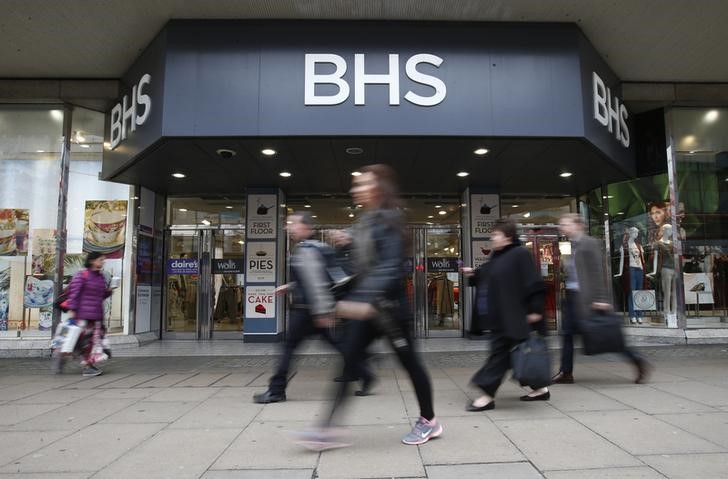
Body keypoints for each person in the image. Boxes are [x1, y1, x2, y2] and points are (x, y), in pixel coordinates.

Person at [297, 164, 442, 450]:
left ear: (378, 188)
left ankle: (429, 421)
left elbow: (389, 267)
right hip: (368, 308)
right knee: (348, 360)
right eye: (356, 184)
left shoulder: (389, 219)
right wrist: (347, 243)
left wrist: (361, 301)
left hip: (389, 311)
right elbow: (363, 264)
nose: (355, 189)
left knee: (411, 364)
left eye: (362, 184)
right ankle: (326, 429)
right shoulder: (368, 220)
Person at [254, 211, 375, 404]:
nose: (288, 227)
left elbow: (316, 283)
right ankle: (365, 373)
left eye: (292, 223)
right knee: (338, 345)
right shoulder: (318, 247)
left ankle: (276, 390)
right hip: (314, 310)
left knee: (288, 347)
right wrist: (291, 286)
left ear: (306, 227)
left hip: (307, 311)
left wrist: (321, 311)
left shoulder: (307, 249)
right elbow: (320, 279)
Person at [553, 213, 651, 385]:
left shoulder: (589, 243)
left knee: (609, 338)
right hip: (573, 298)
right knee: (567, 334)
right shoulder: (572, 245)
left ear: (578, 225)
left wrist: (601, 298)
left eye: (565, 224)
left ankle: (638, 360)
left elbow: (598, 272)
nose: (562, 227)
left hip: (588, 299)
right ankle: (566, 372)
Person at [464, 218, 549, 412]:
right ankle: (540, 388)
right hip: (501, 316)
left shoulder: (520, 254)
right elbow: (488, 276)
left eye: (495, 234)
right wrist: (473, 275)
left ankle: (486, 396)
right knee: (514, 355)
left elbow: (534, 283)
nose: (492, 238)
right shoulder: (498, 256)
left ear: (508, 237)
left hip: (516, 316)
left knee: (499, 356)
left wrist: (536, 311)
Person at [63, 251, 115, 377]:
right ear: (92, 261)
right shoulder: (82, 275)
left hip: (96, 314)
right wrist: (72, 310)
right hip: (83, 314)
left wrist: (109, 291)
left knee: (93, 341)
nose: (102, 262)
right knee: (87, 342)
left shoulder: (100, 276)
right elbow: (74, 294)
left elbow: (101, 295)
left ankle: (87, 363)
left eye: (103, 260)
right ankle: (87, 366)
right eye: (100, 260)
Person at [615, 226, 647, 324]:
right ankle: (632, 315)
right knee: (631, 292)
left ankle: (639, 314)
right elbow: (621, 260)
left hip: (639, 270)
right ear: (630, 233)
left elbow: (643, 260)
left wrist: (644, 271)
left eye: (637, 233)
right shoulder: (624, 246)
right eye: (634, 233)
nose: (636, 235)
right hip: (631, 269)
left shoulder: (639, 245)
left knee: (639, 292)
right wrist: (620, 272)